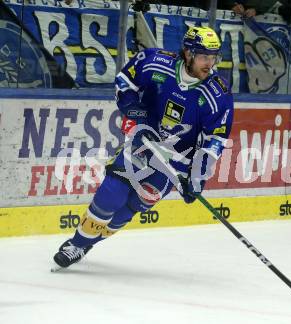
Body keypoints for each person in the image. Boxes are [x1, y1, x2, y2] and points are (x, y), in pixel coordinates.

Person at [52, 26, 234, 269]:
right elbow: (125, 82)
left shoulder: (217, 93)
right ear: (188, 53)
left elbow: (215, 140)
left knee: (132, 207)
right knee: (111, 194)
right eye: (203, 57)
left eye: (213, 58)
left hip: (176, 161)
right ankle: (76, 243)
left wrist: (197, 178)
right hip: (143, 143)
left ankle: (86, 245)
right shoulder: (155, 62)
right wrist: (136, 114)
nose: (209, 64)